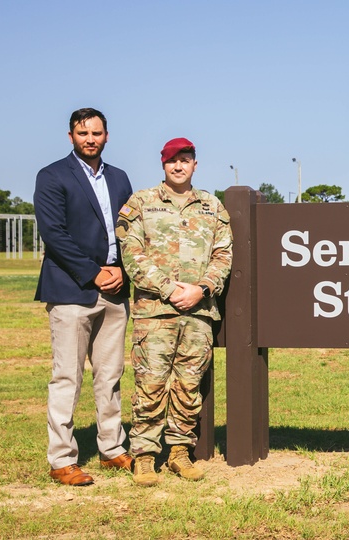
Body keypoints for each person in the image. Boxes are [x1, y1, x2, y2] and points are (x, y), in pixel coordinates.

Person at [116, 138, 233, 487]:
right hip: (154, 313)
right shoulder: (142, 203)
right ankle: (145, 456)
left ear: (195, 164)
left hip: (198, 312)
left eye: (185, 160)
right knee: (150, 385)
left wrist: (202, 288)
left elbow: (224, 255)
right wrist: (168, 289)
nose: (179, 166)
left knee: (188, 386)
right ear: (163, 165)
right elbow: (132, 254)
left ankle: (180, 453)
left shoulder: (212, 206)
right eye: (172, 161)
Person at [34, 108, 135, 486]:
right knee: (67, 377)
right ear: (71, 136)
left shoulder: (120, 178)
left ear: (107, 136)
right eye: (82, 132)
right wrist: (93, 272)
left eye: (96, 132)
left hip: (115, 288)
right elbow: (54, 234)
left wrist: (123, 269)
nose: (89, 138)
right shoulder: (53, 175)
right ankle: (62, 459)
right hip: (71, 289)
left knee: (110, 375)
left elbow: (129, 229)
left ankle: (112, 449)